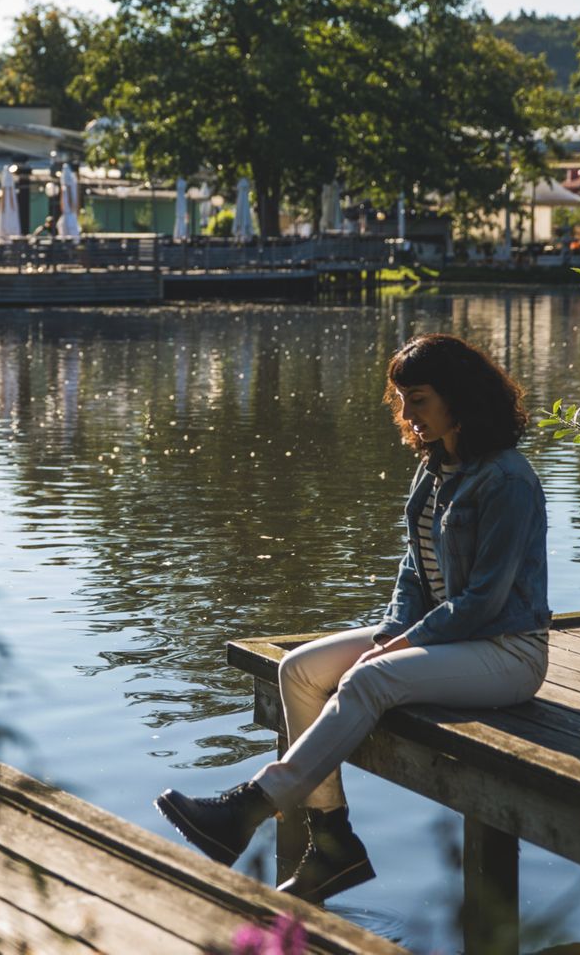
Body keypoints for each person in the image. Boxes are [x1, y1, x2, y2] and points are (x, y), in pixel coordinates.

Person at [155, 333, 551, 902]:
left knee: (370, 677)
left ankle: (250, 806)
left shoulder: (508, 479)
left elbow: (485, 602)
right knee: (298, 669)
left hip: (506, 651)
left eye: (417, 398)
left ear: (457, 396)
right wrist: (393, 630)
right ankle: (334, 844)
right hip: (442, 639)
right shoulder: (434, 467)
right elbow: (414, 572)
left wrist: (400, 646)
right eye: (402, 400)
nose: (407, 414)